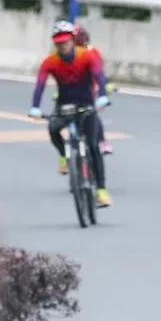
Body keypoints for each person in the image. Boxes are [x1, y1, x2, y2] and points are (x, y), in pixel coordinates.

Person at [28, 20, 112, 207]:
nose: (62, 46)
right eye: (58, 43)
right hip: (64, 106)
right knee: (52, 128)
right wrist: (35, 107)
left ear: (73, 40)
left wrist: (102, 96)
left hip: (87, 105)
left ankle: (101, 190)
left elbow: (99, 76)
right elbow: (40, 85)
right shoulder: (50, 62)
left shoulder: (87, 56)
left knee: (93, 146)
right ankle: (64, 155)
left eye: (65, 42)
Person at [74, 23, 113, 154]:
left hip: (92, 87)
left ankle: (102, 142)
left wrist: (102, 90)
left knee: (92, 113)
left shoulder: (92, 52)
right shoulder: (68, 53)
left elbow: (99, 74)